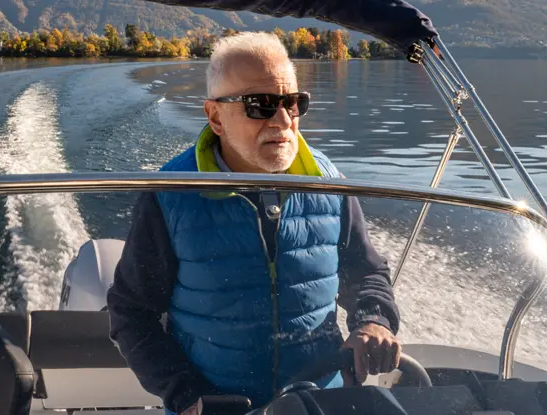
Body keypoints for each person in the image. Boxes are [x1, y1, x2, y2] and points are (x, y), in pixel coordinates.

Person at [106, 32, 402, 415]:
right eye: (260, 104)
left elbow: (368, 273)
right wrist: (185, 395)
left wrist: (373, 320)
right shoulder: (171, 194)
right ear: (215, 116)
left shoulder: (329, 182)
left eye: (293, 103)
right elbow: (131, 311)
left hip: (321, 403)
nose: (282, 120)